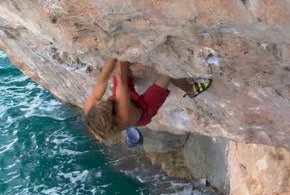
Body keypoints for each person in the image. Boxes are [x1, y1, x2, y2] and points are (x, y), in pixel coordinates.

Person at [83, 59, 211, 143]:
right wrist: (120, 52)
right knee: (167, 76)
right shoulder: (123, 117)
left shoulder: (92, 109)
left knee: (123, 68)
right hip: (143, 109)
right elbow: (120, 78)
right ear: (113, 115)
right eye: (106, 105)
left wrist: (113, 55)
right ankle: (190, 90)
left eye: (100, 101)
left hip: (124, 102)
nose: (103, 100)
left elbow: (103, 78)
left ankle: (131, 74)